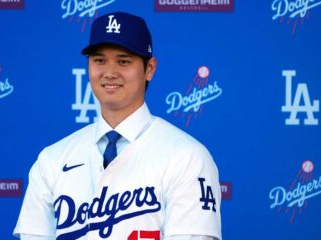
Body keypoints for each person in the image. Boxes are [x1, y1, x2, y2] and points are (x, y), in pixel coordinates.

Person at [14, 12, 221, 240]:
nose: (109, 73)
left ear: (150, 68)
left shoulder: (187, 157)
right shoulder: (52, 160)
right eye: (99, 60)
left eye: (123, 61)